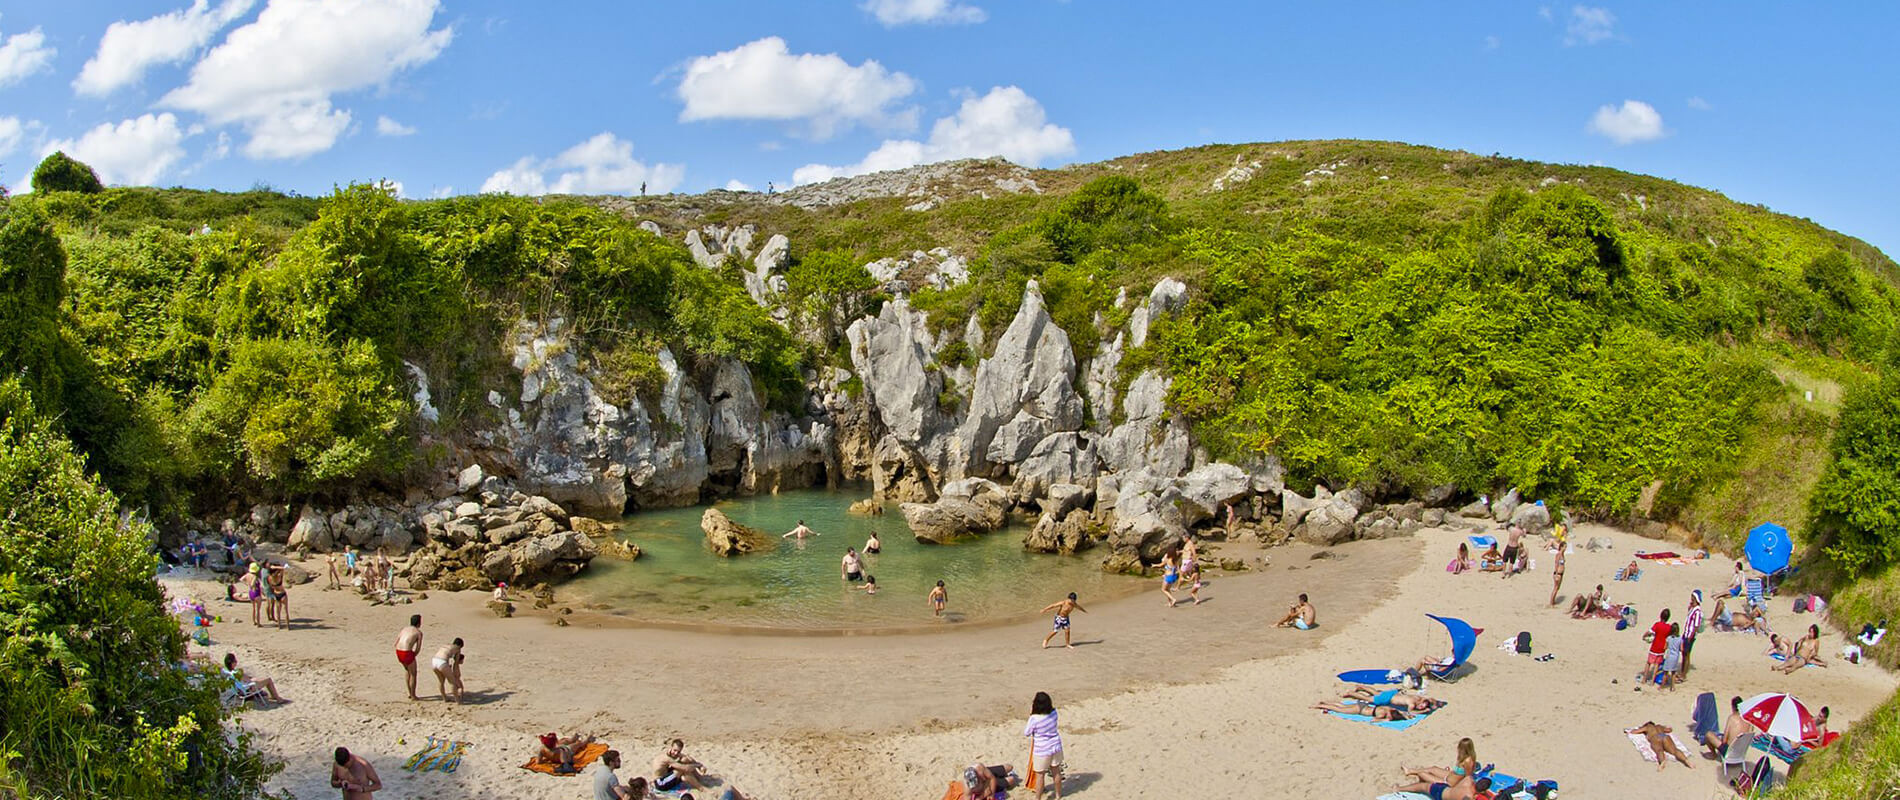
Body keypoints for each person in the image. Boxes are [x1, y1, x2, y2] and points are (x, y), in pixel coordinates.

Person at [1397, 737, 1478, 800]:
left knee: (1422, 774)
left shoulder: (1468, 761)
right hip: (1450, 776)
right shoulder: (1464, 757)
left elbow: (1468, 777)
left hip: (1448, 784)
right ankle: (1410, 771)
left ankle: (1416, 786)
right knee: (1433, 768)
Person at [1024, 692, 1064, 800]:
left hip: (1042, 749)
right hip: (1055, 745)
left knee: (1040, 776)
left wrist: (1031, 715)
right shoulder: (1054, 713)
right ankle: (1058, 795)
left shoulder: (1034, 718)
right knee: (1056, 771)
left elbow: (1027, 732)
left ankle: (1038, 798)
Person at [1717, 696, 1756, 781]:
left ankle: (1713, 754)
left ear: (1733, 707)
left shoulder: (1732, 718)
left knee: (1709, 735)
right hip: (1741, 752)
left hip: (1729, 752)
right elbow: (1750, 734)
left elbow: (1724, 741)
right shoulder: (1749, 719)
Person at [1641, 609, 1673, 685]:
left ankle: (1644, 679)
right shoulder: (1669, 627)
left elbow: (1650, 632)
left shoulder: (1657, 625)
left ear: (1660, 616)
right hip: (1662, 649)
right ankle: (1652, 681)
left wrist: (1644, 636)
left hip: (1654, 647)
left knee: (1649, 663)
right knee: (1657, 665)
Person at [395, 614, 423, 700]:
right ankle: (413, 695)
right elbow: (418, 648)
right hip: (407, 652)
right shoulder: (418, 632)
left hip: (398, 651)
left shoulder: (404, 629)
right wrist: (413, 655)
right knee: (413, 674)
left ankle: (409, 693)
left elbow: (396, 643)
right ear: (419, 623)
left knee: (407, 670)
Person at [432, 637, 465, 704]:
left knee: (441, 681)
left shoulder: (446, 645)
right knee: (452, 682)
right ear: (460, 645)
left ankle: (444, 698)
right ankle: (457, 700)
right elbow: (456, 663)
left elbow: (445, 655)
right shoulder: (457, 649)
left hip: (434, 660)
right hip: (442, 662)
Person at [1682, 591, 1704, 676]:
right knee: (1684, 653)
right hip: (1686, 633)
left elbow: (1696, 625)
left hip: (1690, 635)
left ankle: (1683, 674)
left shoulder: (1697, 611)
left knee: (1687, 654)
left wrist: (1690, 636)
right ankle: (1682, 671)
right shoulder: (1692, 608)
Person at [1659, 624, 1683, 691]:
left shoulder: (1668, 638)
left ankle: (1662, 686)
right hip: (1675, 657)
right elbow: (1681, 649)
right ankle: (1672, 687)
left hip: (1669, 656)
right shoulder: (1680, 639)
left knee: (1665, 673)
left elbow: (1665, 647)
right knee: (1673, 673)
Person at [267, 561, 289, 629]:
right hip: (282, 593)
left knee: (278, 611)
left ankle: (279, 626)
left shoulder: (269, 578)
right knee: (286, 610)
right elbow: (284, 568)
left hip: (276, 594)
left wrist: (273, 568)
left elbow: (270, 586)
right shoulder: (279, 576)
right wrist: (276, 567)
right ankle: (288, 626)